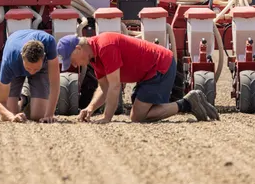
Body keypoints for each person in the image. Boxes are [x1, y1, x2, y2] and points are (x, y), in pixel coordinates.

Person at [57, 33, 219, 123]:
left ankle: (188, 103)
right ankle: (187, 103)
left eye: (71, 59)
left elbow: (114, 86)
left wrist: (107, 117)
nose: (73, 64)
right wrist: (90, 108)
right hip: (146, 74)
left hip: (160, 66)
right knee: (138, 114)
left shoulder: (106, 46)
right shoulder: (94, 58)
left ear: (78, 49)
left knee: (138, 117)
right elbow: (104, 88)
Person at [0, 29, 60, 123]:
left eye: (35, 69)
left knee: (38, 115)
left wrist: (49, 114)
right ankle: (23, 101)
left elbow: (55, 83)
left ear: (44, 56)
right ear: (22, 56)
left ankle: (29, 98)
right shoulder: (10, 61)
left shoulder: (50, 42)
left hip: (41, 69)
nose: (32, 72)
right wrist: (11, 116)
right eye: (29, 68)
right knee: (7, 114)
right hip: (16, 66)